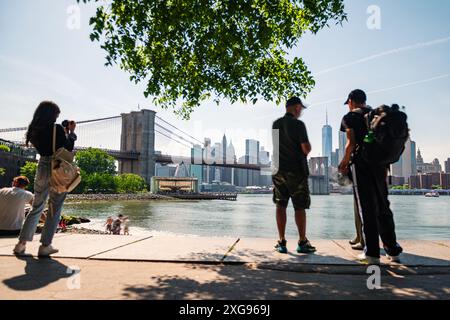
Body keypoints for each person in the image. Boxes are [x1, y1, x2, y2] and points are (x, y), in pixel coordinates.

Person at [339, 89, 403, 264]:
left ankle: (372, 253)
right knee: (383, 204)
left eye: (349, 102)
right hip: (381, 166)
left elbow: (351, 143)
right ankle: (393, 250)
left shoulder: (350, 117)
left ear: (351, 101)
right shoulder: (377, 115)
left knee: (366, 207)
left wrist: (344, 162)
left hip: (361, 166)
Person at [13, 101, 77, 257]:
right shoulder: (56, 129)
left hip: (42, 166)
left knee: (37, 207)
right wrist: (71, 133)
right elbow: (67, 147)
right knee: (54, 208)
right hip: (57, 168)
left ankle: (21, 244)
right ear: (51, 114)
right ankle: (45, 246)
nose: (56, 118)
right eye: (56, 114)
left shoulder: (34, 130)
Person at [271, 96, 316, 254]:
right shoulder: (298, 124)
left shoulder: (276, 124)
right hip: (296, 171)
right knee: (299, 206)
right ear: (296, 107)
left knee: (280, 205)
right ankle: (302, 242)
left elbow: (277, 148)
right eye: (301, 109)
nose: (301, 112)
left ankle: (281, 242)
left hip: (278, 171)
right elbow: (306, 148)